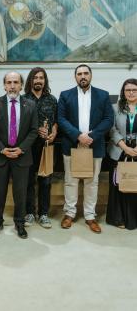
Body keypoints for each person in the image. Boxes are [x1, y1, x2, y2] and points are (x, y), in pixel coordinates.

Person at [58, 64, 113, 233]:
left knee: (92, 182)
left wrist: (92, 136)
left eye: (86, 73)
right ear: (75, 77)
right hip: (72, 146)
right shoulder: (65, 95)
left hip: (94, 146)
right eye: (79, 74)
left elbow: (108, 119)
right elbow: (61, 119)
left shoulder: (103, 95)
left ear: (91, 75)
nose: (83, 76)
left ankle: (90, 216)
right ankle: (69, 214)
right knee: (71, 181)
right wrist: (77, 135)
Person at [0, 71, 38, 239]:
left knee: (20, 192)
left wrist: (21, 149)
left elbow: (33, 131)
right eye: (9, 82)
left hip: (21, 156)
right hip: (0, 156)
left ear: (21, 85)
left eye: (16, 82)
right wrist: (2, 149)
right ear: (4, 85)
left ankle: (20, 223)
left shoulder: (30, 105)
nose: (12, 86)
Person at [24, 67, 58, 228]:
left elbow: (57, 120)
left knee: (46, 180)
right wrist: (37, 129)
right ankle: (29, 212)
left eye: (41, 78)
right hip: (29, 147)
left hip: (47, 146)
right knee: (29, 180)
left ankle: (43, 214)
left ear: (45, 81)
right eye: (35, 77)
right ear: (30, 80)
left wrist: (54, 132)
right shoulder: (23, 99)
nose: (38, 80)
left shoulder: (52, 99)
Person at [106, 78, 137, 229]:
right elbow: (112, 130)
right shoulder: (115, 107)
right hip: (119, 151)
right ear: (123, 92)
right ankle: (119, 219)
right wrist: (125, 147)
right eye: (128, 90)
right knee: (118, 185)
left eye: (134, 90)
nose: (131, 93)